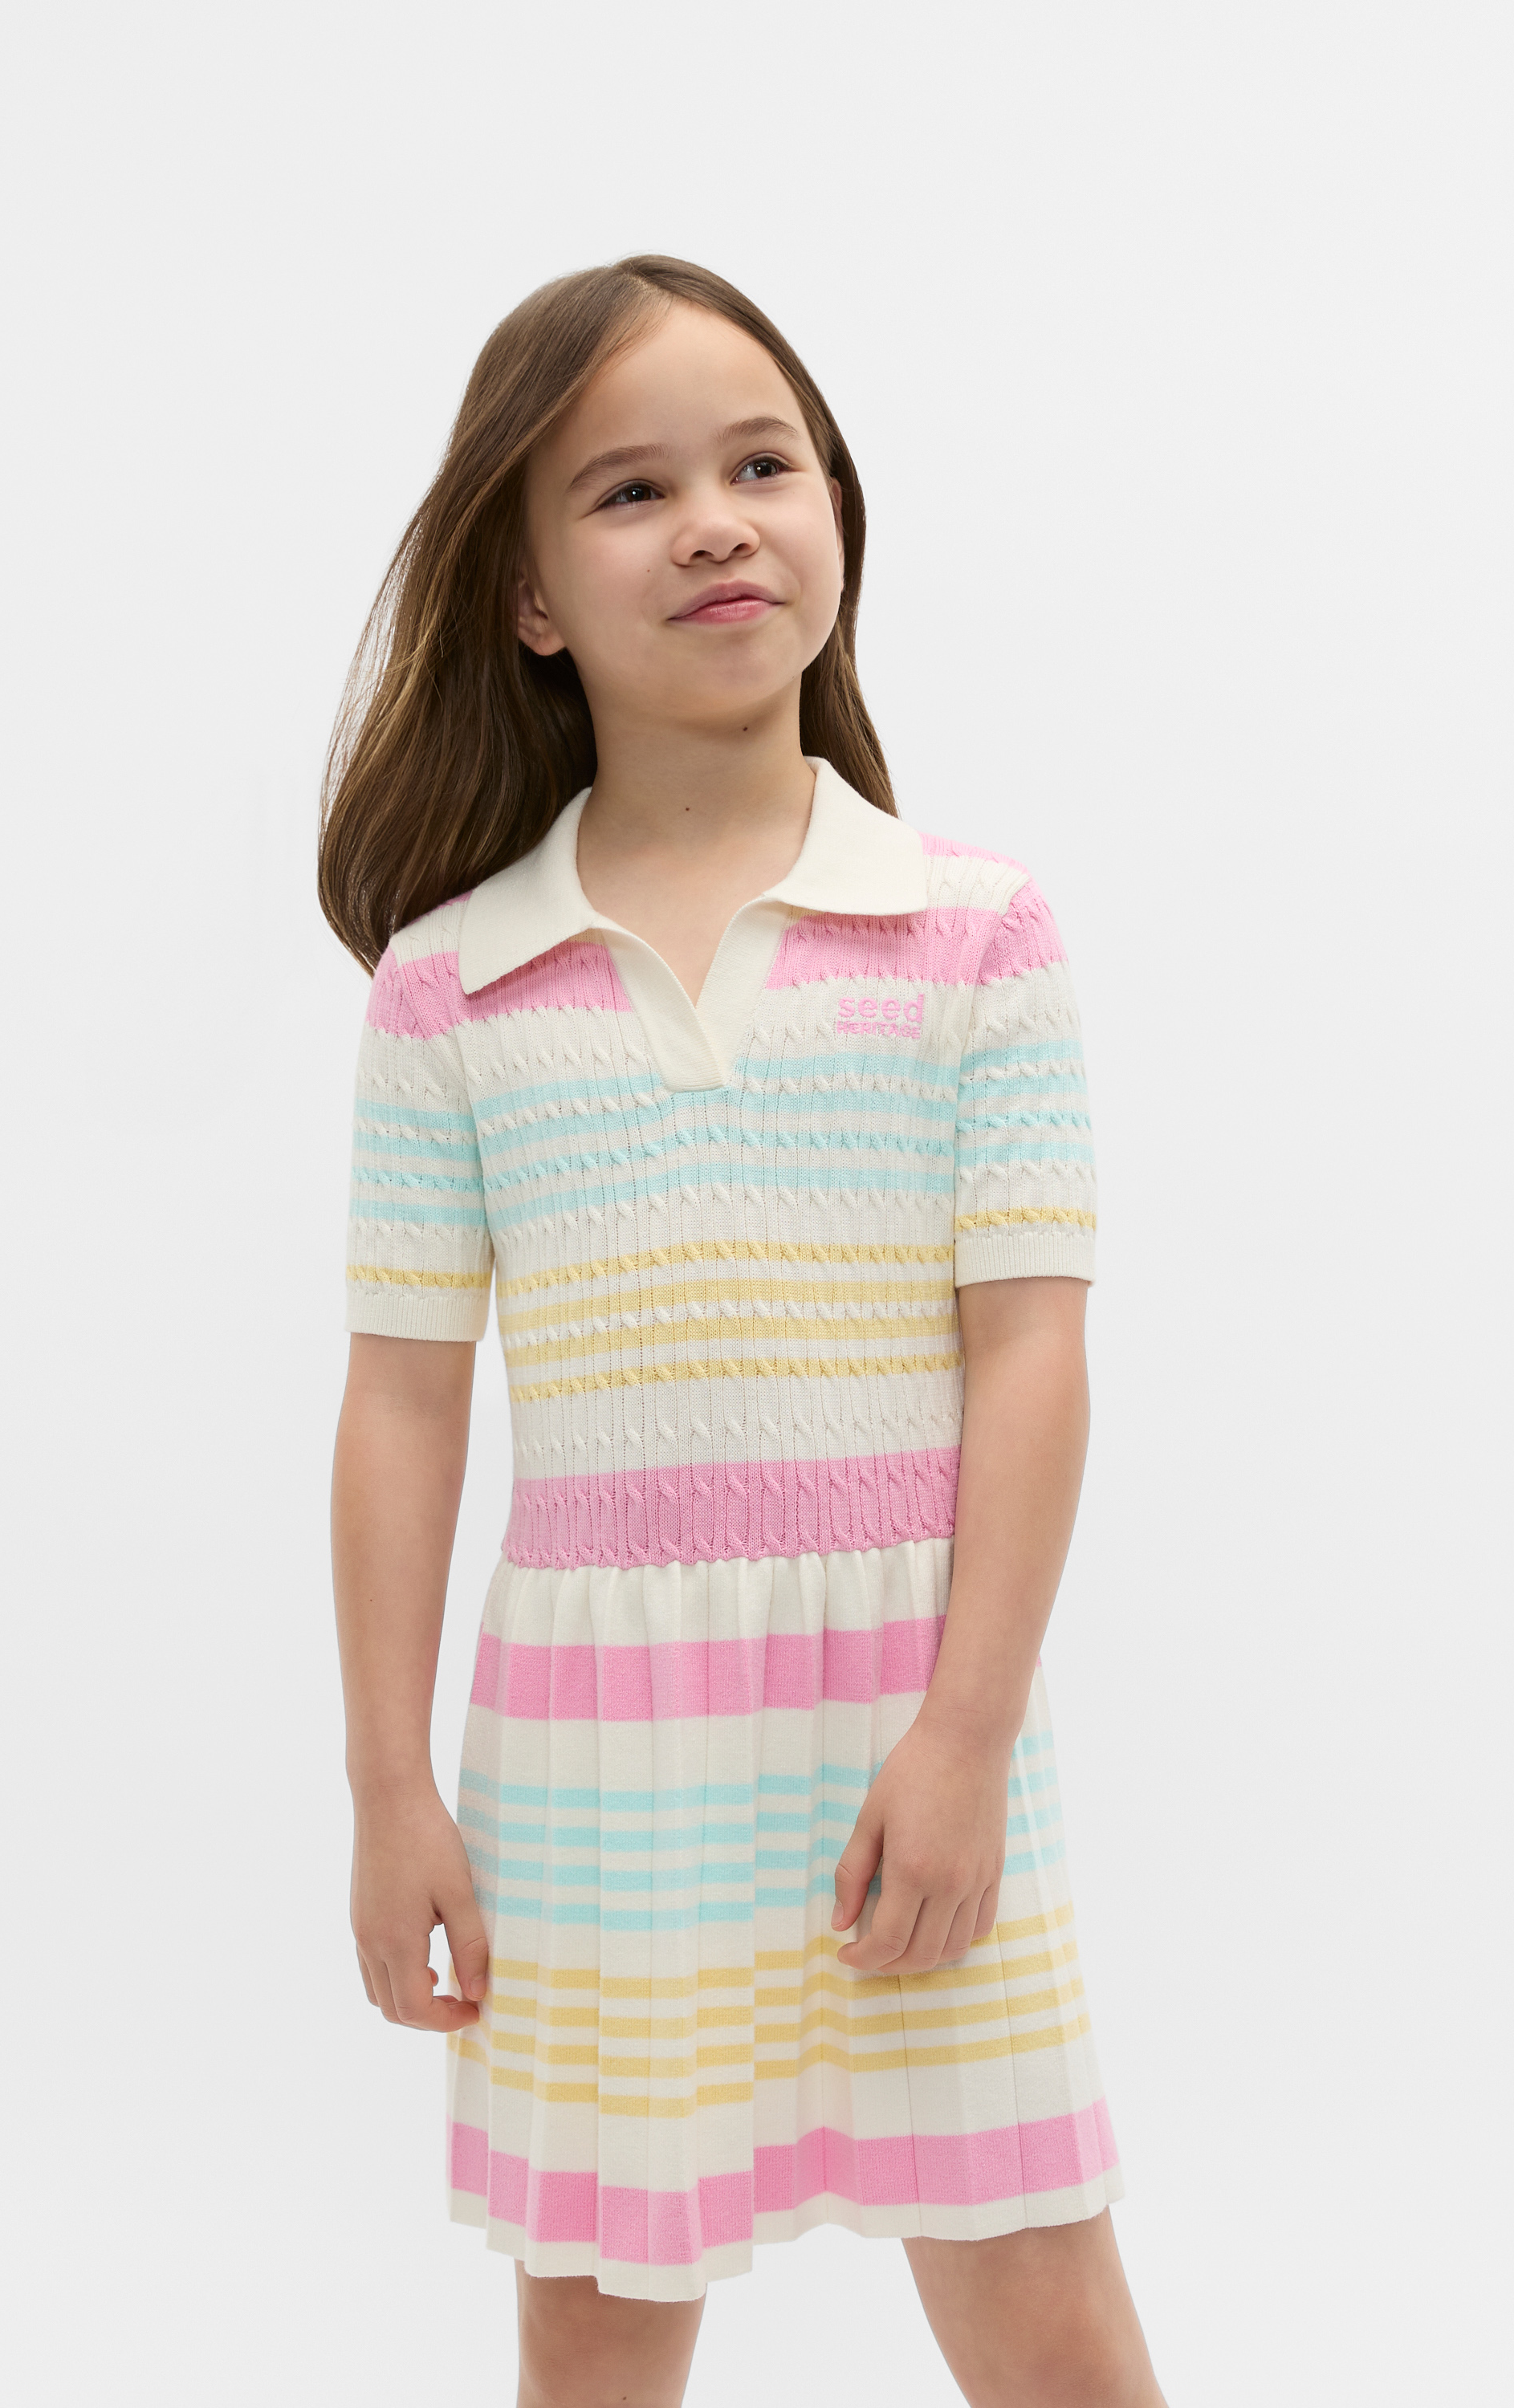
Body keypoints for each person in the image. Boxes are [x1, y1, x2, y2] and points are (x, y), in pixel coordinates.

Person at [321, 254, 1166, 2408]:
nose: (715, 521)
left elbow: (1032, 1358)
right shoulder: (453, 989)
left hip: (914, 1728)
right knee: (598, 2327)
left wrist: (965, 1738)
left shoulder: (975, 935)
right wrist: (390, 1790)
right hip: (594, 1762)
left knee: (1040, 2297)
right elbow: (403, 1402)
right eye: (631, 490)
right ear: (529, 598)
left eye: (763, 465)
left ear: (836, 518)